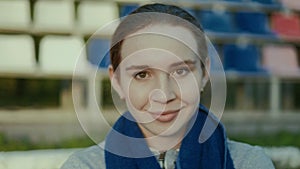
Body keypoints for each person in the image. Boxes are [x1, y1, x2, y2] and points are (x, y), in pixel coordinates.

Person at [61, 3, 274, 169]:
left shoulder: (248, 163)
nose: (163, 95)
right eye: (142, 74)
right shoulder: (84, 166)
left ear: (204, 73)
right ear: (116, 81)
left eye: (180, 71)